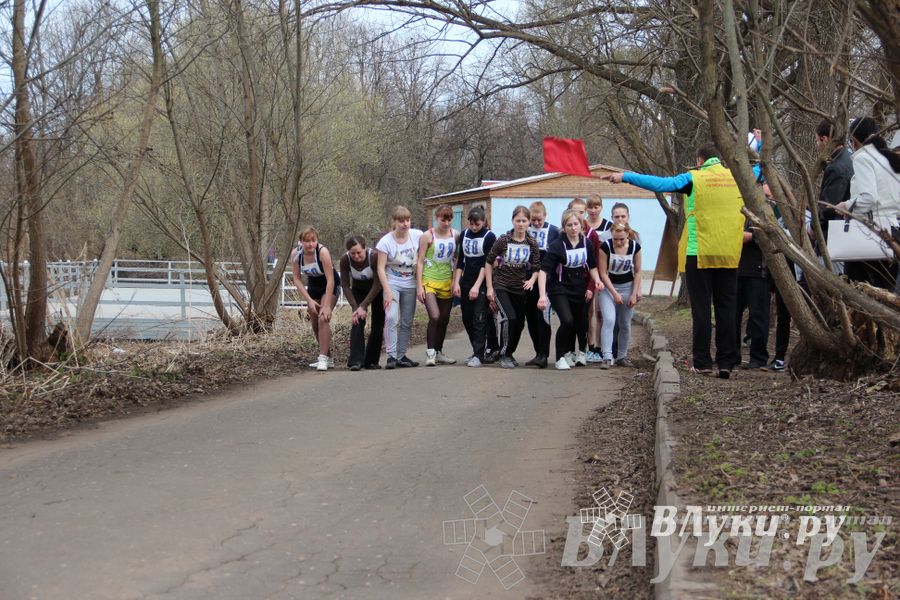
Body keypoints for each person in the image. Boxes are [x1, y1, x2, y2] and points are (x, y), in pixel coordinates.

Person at [604, 142, 744, 378]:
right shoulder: (738, 179)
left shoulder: (694, 178)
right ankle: (727, 362)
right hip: (729, 252)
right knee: (727, 309)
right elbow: (760, 174)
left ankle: (702, 362)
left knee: (701, 309)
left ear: (700, 161)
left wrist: (625, 176)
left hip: (699, 251)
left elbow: (662, 184)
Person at [835, 116, 900, 290]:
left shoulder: (864, 158)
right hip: (893, 233)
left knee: (858, 289)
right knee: (886, 291)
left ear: (854, 139)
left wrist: (846, 206)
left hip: (871, 234)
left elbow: (868, 198)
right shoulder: (889, 159)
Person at [537, 210, 603, 370]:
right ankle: (560, 357)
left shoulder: (586, 243)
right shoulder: (557, 245)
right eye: (569, 225)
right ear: (564, 227)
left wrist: (597, 280)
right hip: (559, 288)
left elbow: (592, 266)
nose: (573, 228)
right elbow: (543, 271)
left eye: (576, 224)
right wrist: (542, 296)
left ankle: (578, 352)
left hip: (578, 287)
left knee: (580, 323)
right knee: (567, 321)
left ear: (581, 225)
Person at [485, 206, 541, 369]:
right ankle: (504, 354)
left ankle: (510, 352)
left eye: (524, 221)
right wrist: (490, 287)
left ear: (529, 222)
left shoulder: (531, 243)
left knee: (519, 323)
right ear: (513, 221)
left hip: (519, 287)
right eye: (518, 221)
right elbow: (489, 262)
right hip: (501, 285)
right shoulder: (503, 240)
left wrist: (531, 280)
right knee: (510, 318)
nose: (521, 224)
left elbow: (537, 267)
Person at [376, 206, 423, 369]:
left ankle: (402, 355)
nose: (405, 224)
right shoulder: (386, 242)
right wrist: (387, 291)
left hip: (410, 283)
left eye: (407, 220)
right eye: (401, 221)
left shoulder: (417, 235)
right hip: (392, 283)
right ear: (394, 222)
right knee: (391, 317)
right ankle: (391, 355)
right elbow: (380, 268)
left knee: (406, 321)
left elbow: (431, 240)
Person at [290, 227, 340, 371]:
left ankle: (322, 358)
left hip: (329, 285)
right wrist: (309, 300)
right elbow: (297, 279)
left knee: (323, 317)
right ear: (301, 242)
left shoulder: (322, 252)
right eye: (307, 241)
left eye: (313, 240)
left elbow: (331, 280)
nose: (311, 244)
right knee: (314, 318)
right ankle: (328, 357)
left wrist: (326, 305)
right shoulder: (296, 254)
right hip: (313, 286)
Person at [453, 206, 496, 368]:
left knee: (479, 317)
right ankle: (477, 349)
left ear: (483, 222)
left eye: (477, 224)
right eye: (471, 224)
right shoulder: (464, 234)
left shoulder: (489, 236)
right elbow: (461, 260)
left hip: (483, 282)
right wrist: (457, 282)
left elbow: (487, 263)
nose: (473, 227)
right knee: (467, 318)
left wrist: (477, 286)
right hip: (466, 281)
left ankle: (479, 354)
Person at [417, 205, 458, 366]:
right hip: (429, 281)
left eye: (449, 219)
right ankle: (430, 353)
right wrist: (419, 286)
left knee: (444, 319)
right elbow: (420, 261)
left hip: (446, 280)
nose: (446, 223)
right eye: (443, 219)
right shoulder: (428, 236)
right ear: (437, 218)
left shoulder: (455, 235)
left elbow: (456, 259)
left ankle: (439, 352)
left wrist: (455, 280)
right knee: (435, 316)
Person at [596, 222, 642, 368]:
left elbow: (638, 271)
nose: (618, 242)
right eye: (615, 238)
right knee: (609, 320)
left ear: (628, 234)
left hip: (627, 287)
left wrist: (634, 294)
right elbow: (602, 272)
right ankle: (607, 356)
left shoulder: (635, 247)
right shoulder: (606, 247)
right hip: (609, 288)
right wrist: (614, 293)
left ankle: (622, 356)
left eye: (621, 239)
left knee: (625, 324)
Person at [340, 235, 384, 371]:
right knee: (357, 320)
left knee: (378, 323)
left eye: (359, 252)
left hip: (376, 291)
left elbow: (377, 284)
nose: (356, 256)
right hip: (358, 290)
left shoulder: (374, 257)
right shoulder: (345, 260)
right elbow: (346, 286)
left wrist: (364, 306)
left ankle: (371, 360)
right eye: (353, 253)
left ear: (365, 248)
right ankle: (355, 360)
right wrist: (356, 307)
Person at [523, 201, 559, 368]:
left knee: (542, 317)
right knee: (530, 317)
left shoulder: (553, 231)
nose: (536, 223)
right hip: (528, 279)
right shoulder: (525, 229)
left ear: (545, 216)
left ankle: (544, 354)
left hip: (546, 281)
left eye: (539, 219)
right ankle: (538, 352)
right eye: (533, 220)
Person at [735, 219, 770, 369]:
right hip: (734, 269)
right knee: (731, 315)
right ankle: (730, 355)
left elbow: (765, 233)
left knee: (758, 316)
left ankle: (758, 358)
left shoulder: (761, 209)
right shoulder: (733, 208)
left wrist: (750, 235)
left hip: (758, 271)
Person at [584, 195, 611, 363]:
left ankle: (602, 347)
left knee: (601, 313)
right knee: (590, 312)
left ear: (601, 207)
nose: (593, 210)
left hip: (605, 273)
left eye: (596, 207)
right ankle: (591, 346)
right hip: (588, 273)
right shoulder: (583, 225)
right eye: (590, 207)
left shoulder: (608, 226)